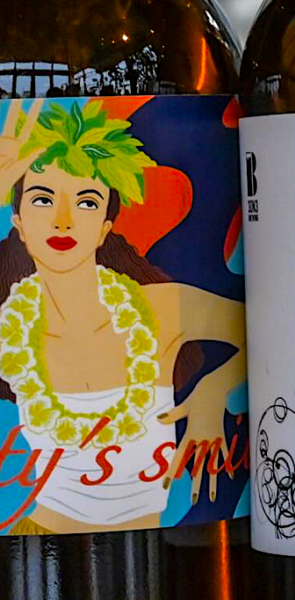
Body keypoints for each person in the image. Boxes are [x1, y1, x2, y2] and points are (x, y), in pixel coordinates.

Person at [0, 100, 246, 534]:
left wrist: (213, 389)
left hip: (158, 551)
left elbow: (264, 331)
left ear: (105, 227)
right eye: (42, 199)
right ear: (18, 221)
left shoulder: (161, 308)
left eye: (86, 202)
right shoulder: (10, 329)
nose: (63, 220)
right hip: (33, 540)